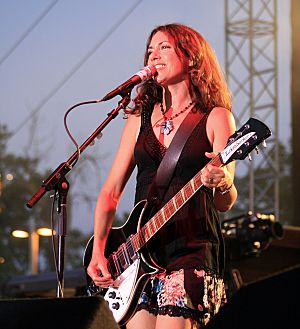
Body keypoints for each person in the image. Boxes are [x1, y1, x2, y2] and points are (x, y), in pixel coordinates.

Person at [87, 23, 237, 329]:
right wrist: (99, 253)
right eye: (150, 50)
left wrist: (222, 181)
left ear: (192, 57)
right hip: (138, 257)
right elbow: (111, 191)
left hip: (189, 248)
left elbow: (225, 202)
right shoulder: (138, 118)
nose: (154, 55)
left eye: (164, 47)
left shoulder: (216, 117)